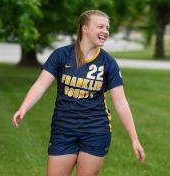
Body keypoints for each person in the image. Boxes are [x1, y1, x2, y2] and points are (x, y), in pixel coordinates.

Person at [12, 10, 145, 176]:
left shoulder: (108, 63)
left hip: (95, 129)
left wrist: (134, 138)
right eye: (100, 26)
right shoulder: (61, 55)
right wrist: (24, 107)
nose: (105, 31)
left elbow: (120, 102)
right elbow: (40, 85)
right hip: (63, 128)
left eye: (107, 28)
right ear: (85, 28)